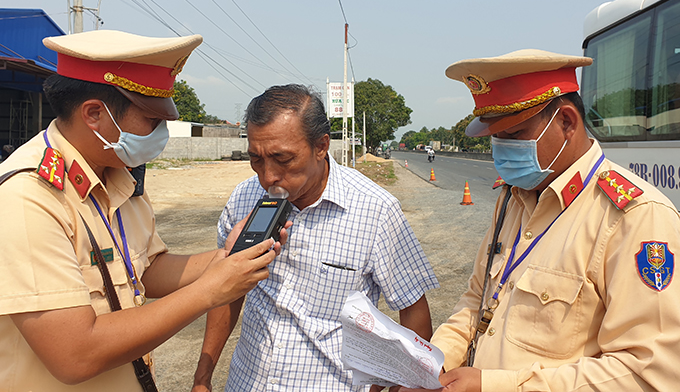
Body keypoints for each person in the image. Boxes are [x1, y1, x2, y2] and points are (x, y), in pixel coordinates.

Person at [0, 30, 287, 392]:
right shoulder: (29, 198)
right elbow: (75, 355)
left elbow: (145, 269)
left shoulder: (117, 175)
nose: (162, 133)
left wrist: (226, 259)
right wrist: (211, 291)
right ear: (94, 114)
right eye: (152, 121)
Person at [397, 49, 680, 392]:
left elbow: (648, 374)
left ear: (566, 122)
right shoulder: (511, 198)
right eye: (494, 138)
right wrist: (429, 367)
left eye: (513, 135)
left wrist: (494, 386)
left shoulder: (634, 217)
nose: (499, 149)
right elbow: (476, 302)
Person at [192, 84, 439, 392]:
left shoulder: (375, 210)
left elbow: (413, 309)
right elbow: (225, 292)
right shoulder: (245, 198)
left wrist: (397, 384)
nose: (267, 177)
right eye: (256, 159)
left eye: (283, 160)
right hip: (247, 382)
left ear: (321, 146)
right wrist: (202, 377)